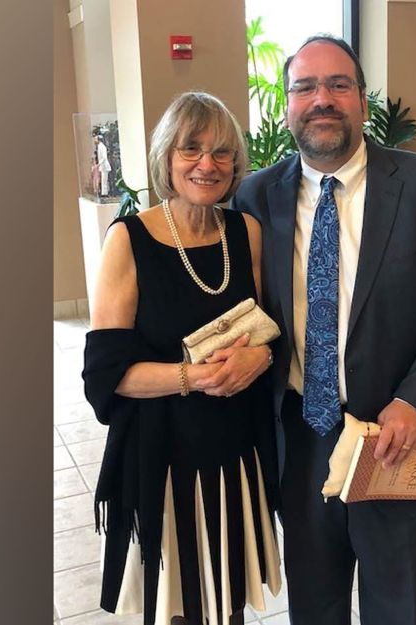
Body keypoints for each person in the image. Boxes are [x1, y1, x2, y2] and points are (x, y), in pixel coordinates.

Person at [231, 36, 416, 625]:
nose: (321, 99)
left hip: (396, 442)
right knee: (315, 607)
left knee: (398, 607)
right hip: (299, 442)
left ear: (361, 99)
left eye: (338, 85)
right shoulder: (255, 197)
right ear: (286, 104)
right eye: (304, 87)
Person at [82, 91, 282, 625]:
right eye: (190, 149)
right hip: (163, 452)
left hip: (236, 448)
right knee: (179, 602)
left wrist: (259, 358)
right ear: (166, 158)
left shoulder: (245, 232)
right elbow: (107, 376)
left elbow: (262, 330)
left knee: (229, 594)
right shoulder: (129, 240)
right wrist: (196, 377)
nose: (207, 164)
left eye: (221, 152)